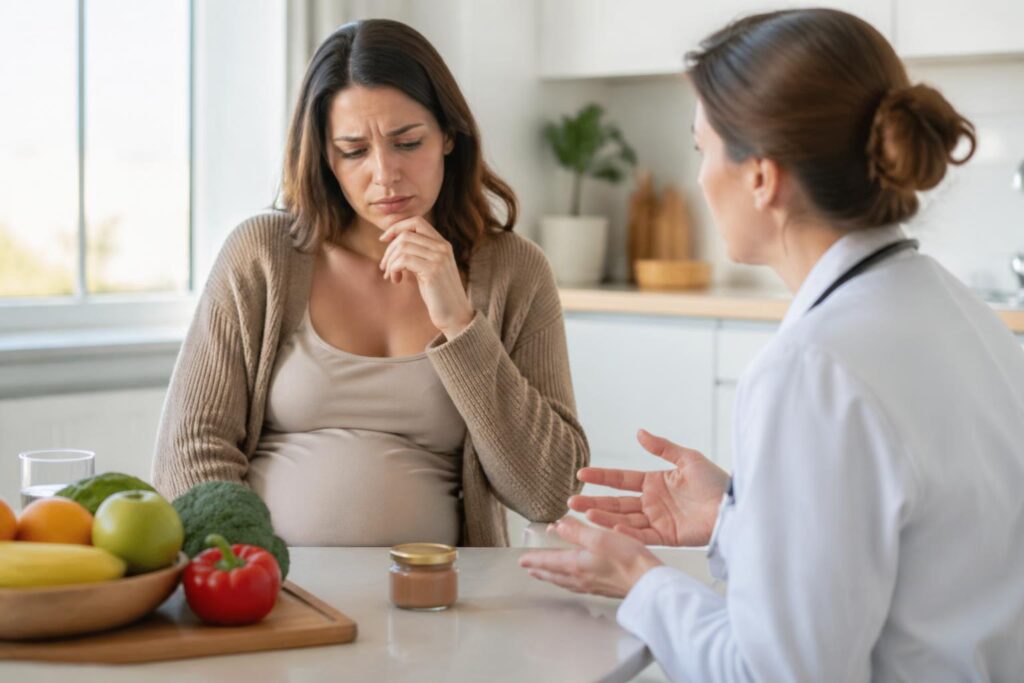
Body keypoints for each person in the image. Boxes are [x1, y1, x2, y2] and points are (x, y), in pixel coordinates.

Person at [520, 9, 1024, 681]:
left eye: (702, 150)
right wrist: (741, 513)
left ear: (761, 177)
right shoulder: (963, 314)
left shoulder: (813, 369)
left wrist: (642, 582)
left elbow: (776, 673)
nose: (700, 179)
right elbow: (910, 554)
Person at [152, 19, 588, 547]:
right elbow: (189, 451)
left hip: (440, 589)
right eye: (354, 151)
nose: (385, 174)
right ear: (325, 156)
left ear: (449, 135)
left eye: (408, 142)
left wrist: (460, 324)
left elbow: (551, 491)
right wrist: (250, 573)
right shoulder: (263, 254)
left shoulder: (516, 272)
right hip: (271, 587)